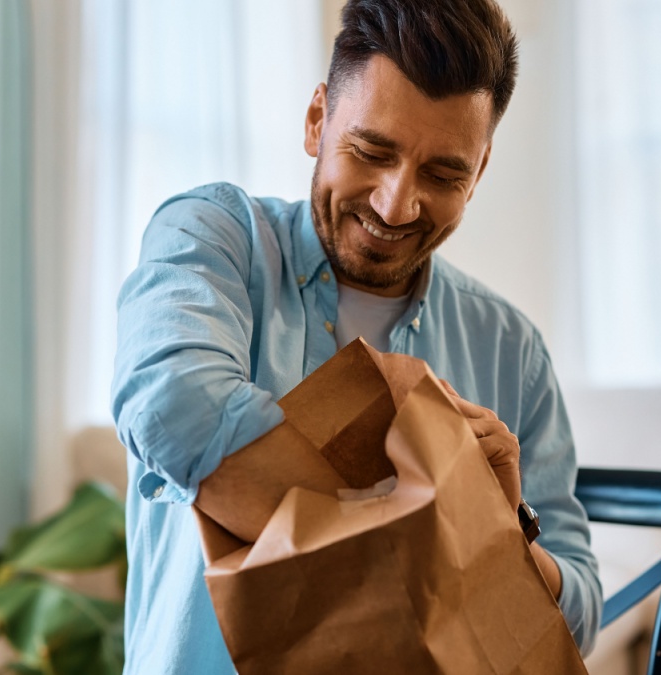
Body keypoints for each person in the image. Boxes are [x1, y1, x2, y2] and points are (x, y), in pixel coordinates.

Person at [111, 0, 602, 672]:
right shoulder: (215, 239)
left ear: (479, 171)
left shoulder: (510, 348)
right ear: (317, 120)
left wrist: (500, 526)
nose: (396, 204)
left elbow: (579, 610)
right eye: (372, 152)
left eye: (443, 174)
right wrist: (441, 533)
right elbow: (176, 408)